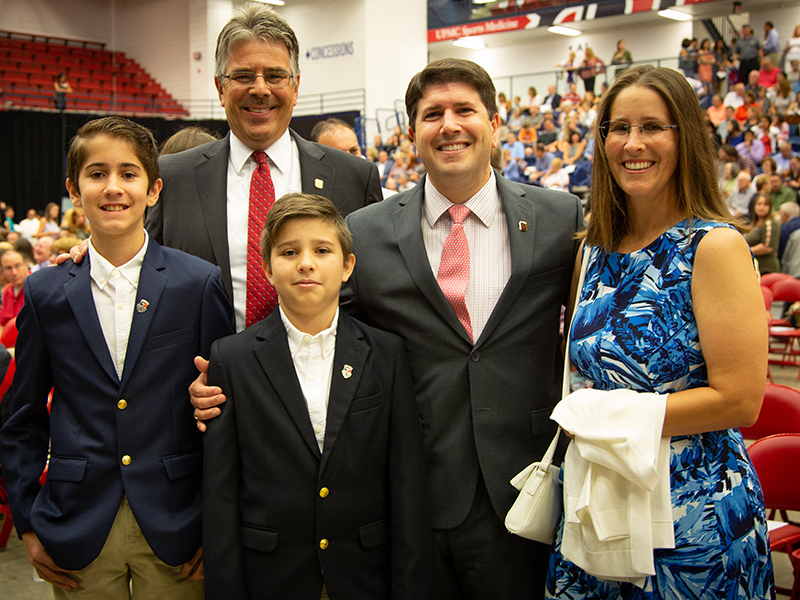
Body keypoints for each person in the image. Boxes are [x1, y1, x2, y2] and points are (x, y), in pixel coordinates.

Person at [546, 64, 772, 599]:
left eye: (652, 126)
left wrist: (607, 414)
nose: (633, 143)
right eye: (618, 128)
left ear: (684, 136)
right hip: (598, 502)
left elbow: (740, 400)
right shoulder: (591, 249)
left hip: (690, 509)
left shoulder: (713, 247)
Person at [0, 116, 235, 598]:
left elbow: (223, 412)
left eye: (129, 174)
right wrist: (26, 520)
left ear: (153, 190)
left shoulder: (197, 283)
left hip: (176, 521)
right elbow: (22, 417)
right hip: (77, 520)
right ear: (73, 187)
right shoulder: (46, 292)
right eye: (97, 173)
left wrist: (218, 520)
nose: (113, 188)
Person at [202, 192, 430, 599]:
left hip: (364, 576)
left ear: (347, 266)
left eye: (322, 250)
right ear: (268, 268)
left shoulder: (385, 353)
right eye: (289, 252)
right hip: (271, 578)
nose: (305, 262)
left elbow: (406, 485)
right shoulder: (232, 358)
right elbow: (221, 494)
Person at [144, 2, 381, 332]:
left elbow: (373, 292)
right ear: (220, 88)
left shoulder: (354, 177)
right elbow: (142, 276)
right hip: (205, 377)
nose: (259, 88)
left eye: (274, 76)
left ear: (296, 86)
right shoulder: (171, 177)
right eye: (242, 75)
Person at [746, 193, 782, 274]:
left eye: (765, 205)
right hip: (755, 268)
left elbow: (767, 247)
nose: (761, 207)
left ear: (770, 207)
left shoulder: (770, 223)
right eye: (759, 204)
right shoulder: (755, 224)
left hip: (766, 269)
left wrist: (746, 251)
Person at [0, 249, 30, 326]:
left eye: (18, 266)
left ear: (26, 265)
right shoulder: (7, 291)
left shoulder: (36, 287)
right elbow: (2, 323)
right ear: (2, 272)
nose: (14, 272)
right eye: (8, 268)